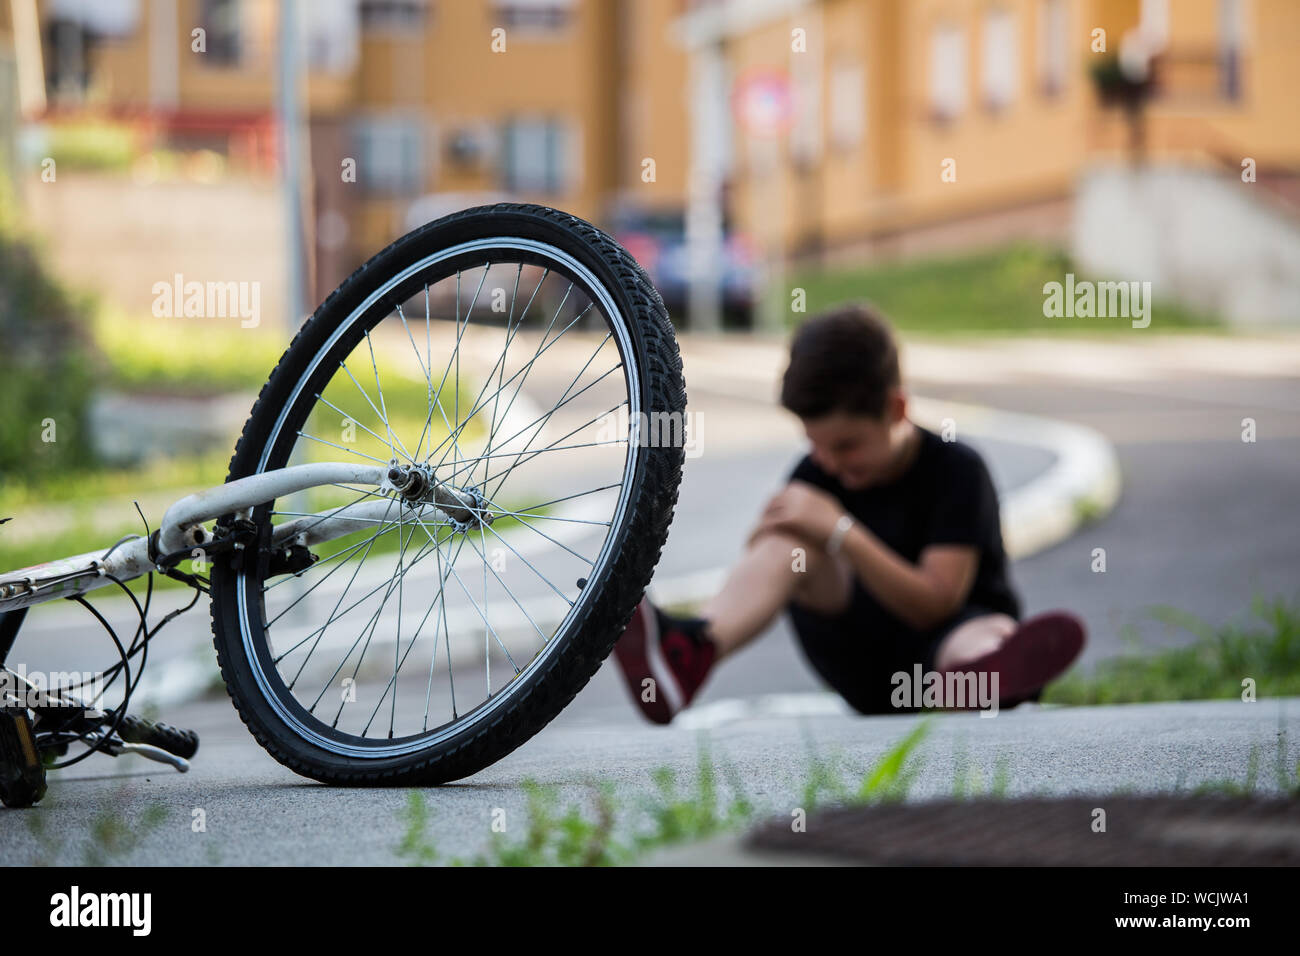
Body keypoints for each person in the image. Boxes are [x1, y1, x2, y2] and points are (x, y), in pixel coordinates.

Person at [611, 303, 1085, 723]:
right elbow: (761, 560)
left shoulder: (956, 470)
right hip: (864, 664)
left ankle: (985, 681)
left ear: (896, 409)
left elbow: (936, 604)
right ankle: (690, 652)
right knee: (788, 543)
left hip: (945, 641)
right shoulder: (813, 474)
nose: (829, 461)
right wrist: (780, 538)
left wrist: (840, 531)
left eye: (847, 445)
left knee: (985, 636)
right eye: (814, 444)